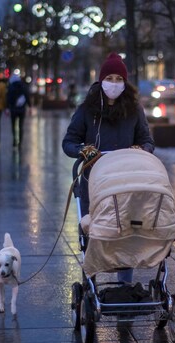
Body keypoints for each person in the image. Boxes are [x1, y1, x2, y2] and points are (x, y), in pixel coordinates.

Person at [62, 52, 155, 284]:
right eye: (110, 78)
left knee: (125, 234)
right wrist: (82, 150)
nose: (113, 83)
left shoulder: (134, 110)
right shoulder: (87, 110)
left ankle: (125, 285)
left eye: (118, 79)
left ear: (124, 82)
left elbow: (148, 141)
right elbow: (69, 142)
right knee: (93, 231)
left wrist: (140, 149)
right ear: (101, 80)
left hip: (125, 181)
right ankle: (91, 282)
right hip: (94, 182)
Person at [6, 74, 31, 148]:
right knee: (21, 126)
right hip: (22, 110)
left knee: (13, 125)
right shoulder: (23, 86)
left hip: (13, 109)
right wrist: (30, 107)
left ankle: (14, 141)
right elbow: (27, 96)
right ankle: (20, 143)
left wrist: (7, 108)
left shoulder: (10, 87)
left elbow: (8, 98)